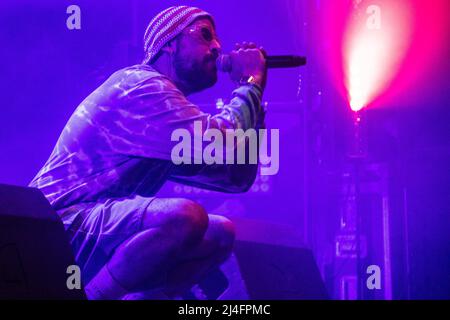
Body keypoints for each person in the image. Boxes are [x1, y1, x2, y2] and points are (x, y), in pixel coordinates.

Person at [29, 5, 267, 300]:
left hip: (90, 229)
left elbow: (236, 177)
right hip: (56, 226)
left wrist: (255, 112)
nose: (218, 47)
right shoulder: (141, 86)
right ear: (169, 44)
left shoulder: (166, 117)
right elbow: (224, 145)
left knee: (220, 234)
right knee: (184, 217)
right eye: (205, 35)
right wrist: (250, 84)